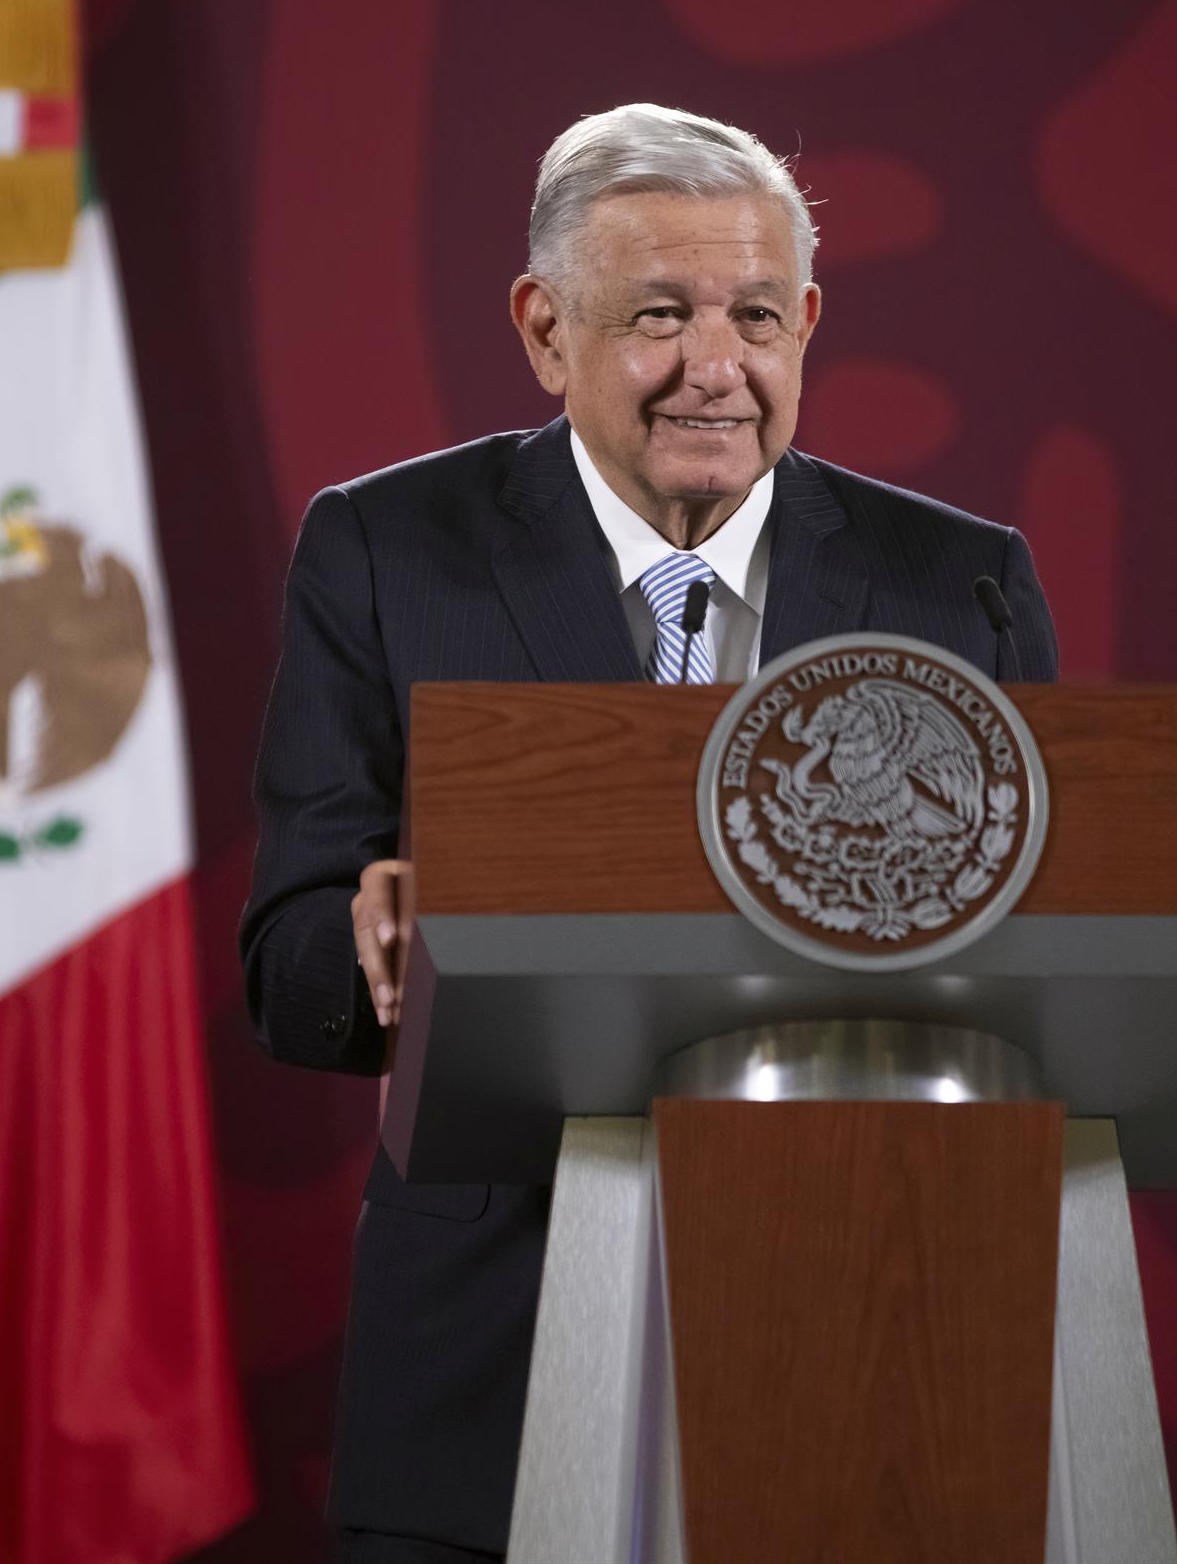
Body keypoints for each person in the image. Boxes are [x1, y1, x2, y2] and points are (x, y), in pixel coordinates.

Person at [239, 102, 1058, 1562]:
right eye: (656, 316)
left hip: (868, 1332)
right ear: (545, 331)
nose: (714, 368)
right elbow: (285, 964)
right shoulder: (383, 548)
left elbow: (1056, 944)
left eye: (753, 315)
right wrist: (368, 947)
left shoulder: (960, 585)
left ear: (805, 322)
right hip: (490, 1346)